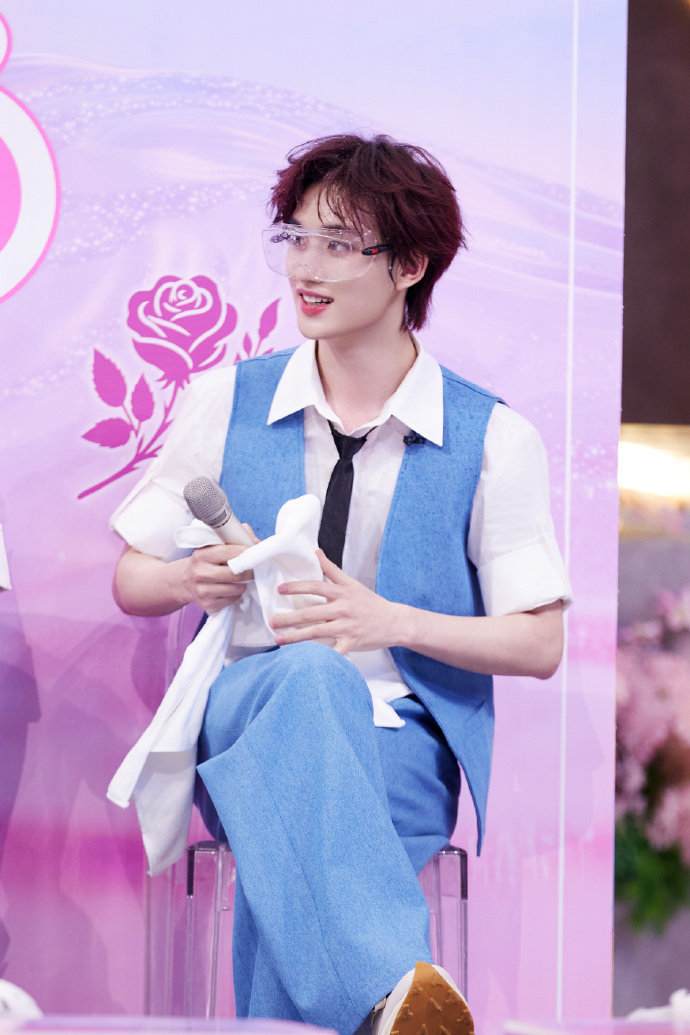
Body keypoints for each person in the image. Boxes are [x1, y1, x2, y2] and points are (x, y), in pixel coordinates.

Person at [111, 134, 571, 1035]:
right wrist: (185, 576)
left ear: (409, 265)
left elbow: (539, 641)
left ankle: (380, 1008)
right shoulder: (228, 398)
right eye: (295, 237)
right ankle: (391, 987)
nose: (305, 267)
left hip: (400, 743)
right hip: (247, 712)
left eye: (338, 243)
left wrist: (389, 620)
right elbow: (131, 578)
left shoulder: (493, 436)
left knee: (298, 835)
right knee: (308, 684)